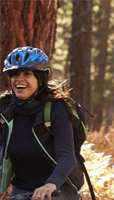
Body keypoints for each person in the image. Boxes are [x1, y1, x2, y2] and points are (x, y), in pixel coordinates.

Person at [0, 46, 82, 200]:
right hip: (21, 188)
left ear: (40, 79)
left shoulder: (55, 110)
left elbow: (67, 157)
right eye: (14, 74)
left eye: (27, 74)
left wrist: (51, 183)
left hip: (60, 187)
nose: (19, 79)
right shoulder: (6, 110)